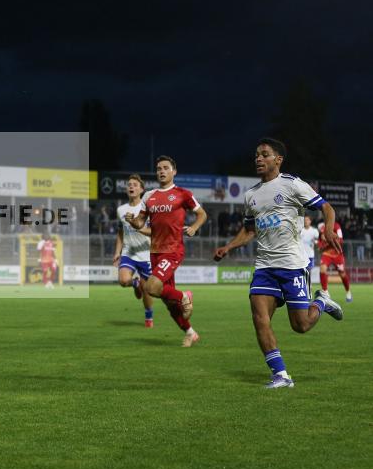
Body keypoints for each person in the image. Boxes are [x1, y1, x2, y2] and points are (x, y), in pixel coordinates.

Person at [214, 138, 343, 389]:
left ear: (278, 160)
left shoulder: (292, 185)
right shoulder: (251, 195)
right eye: (256, 155)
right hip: (264, 267)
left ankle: (321, 301)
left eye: (264, 155)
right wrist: (229, 247)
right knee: (260, 318)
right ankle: (281, 375)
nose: (258, 159)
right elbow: (249, 230)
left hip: (293, 265)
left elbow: (327, 208)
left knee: (301, 325)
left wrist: (328, 229)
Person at [125, 155, 207, 347]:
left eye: (165, 168)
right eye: (158, 168)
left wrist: (194, 227)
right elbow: (141, 223)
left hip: (173, 250)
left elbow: (202, 214)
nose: (161, 171)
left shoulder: (183, 194)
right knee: (168, 303)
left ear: (174, 172)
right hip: (155, 252)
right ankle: (190, 332)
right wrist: (132, 220)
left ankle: (184, 296)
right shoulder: (149, 196)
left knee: (151, 287)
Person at [113, 174, 155, 327]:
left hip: (146, 254)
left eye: (135, 185)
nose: (131, 186)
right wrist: (117, 252)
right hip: (129, 252)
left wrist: (138, 226)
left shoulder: (148, 209)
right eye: (129, 184)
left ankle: (149, 316)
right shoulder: (121, 209)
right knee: (123, 281)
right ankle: (134, 282)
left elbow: (154, 232)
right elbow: (121, 232)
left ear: (142, 189)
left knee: (147, 290)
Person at [317, 219, 352, 303]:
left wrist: (329, 240)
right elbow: (320, 241)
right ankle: (325, 291)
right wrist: (321, 245)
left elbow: (340, 240)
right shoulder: (322, 228)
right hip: (327, 253)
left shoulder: (337, 226)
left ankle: (348, 292)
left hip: (337, 253)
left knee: (342, 274)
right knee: (322, 269)